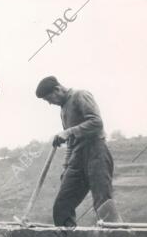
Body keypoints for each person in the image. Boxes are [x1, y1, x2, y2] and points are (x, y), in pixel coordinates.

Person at [35, 75, 121, 226]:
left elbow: (96, 123)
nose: (49, 103)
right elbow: (70, 142)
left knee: (103, 203)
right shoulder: (63, 110)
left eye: (49, 99)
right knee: (62, 206)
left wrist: (68, 132)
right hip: (77, 157)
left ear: (57, 89)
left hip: (96, 152)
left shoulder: (80, 95)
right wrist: (66, 166)